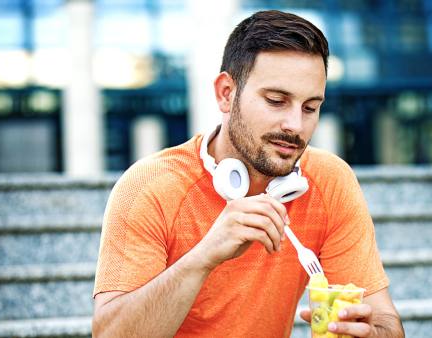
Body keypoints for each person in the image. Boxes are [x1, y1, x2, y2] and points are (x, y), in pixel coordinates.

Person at [92, 10, 404, 338]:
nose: (296, 126)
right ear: (226, 93)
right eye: (276, 101)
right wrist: (203, 258)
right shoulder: (149, 186)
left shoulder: (329, 180)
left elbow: (386, 322)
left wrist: (371, 333)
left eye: (310, 108)